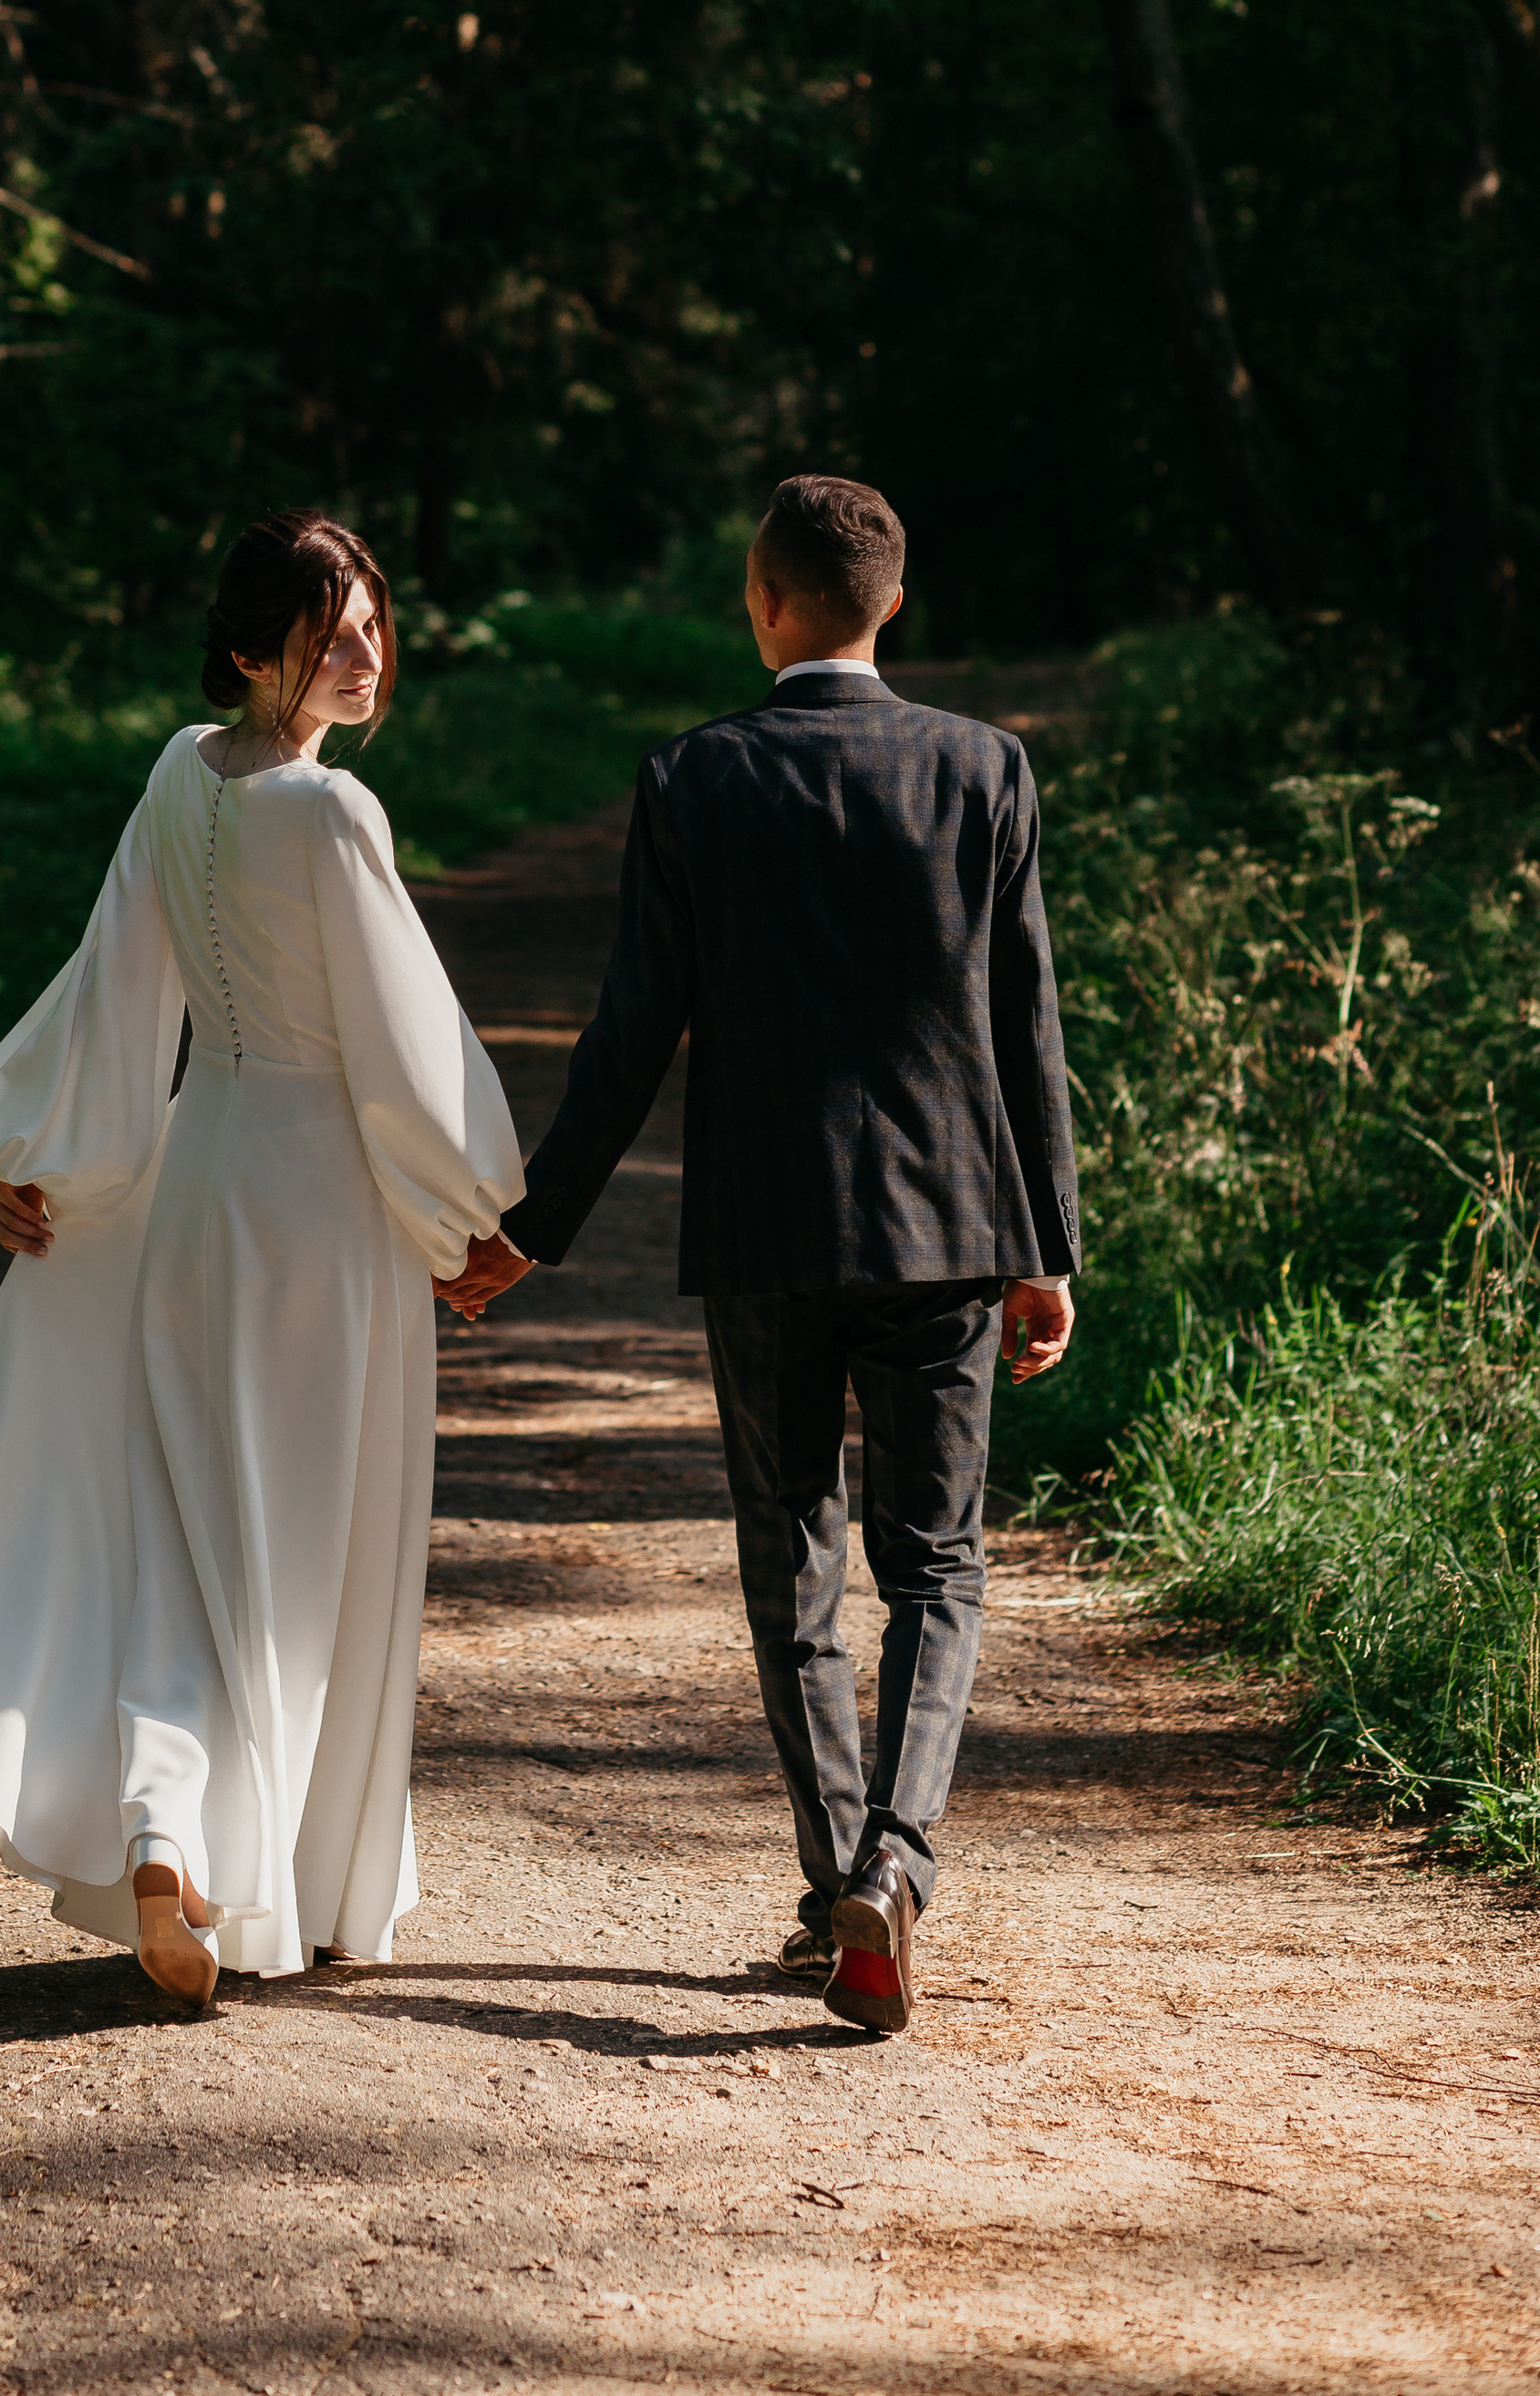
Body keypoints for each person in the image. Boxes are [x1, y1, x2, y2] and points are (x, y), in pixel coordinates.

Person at [0, 509, 522, 2013]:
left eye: (371, 624)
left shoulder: (180, 772)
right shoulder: (334, 816)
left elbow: (110, 991)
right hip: (322, 1218)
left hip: (197, 1181)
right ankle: (291, 1873)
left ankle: (171, 1838)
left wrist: (31, 1154)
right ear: (252, 648)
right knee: (298, 1556)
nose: (362, 655)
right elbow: (404, 1061)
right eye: (328, 631)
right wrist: (471, 1216)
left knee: (190, 1533)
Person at [450, 474, 1079, 2035]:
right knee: (937, 1564)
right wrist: (1048, 1246)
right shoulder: (984, 769)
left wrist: (531, 1230)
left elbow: (630, 1033)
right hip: (948, 1228)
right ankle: (895, 1868)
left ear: (762, 603)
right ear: (893, 607)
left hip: (765, 1233)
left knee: (792, 1555)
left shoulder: (695, 777)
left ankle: (837, 1886)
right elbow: (1027, 1027)